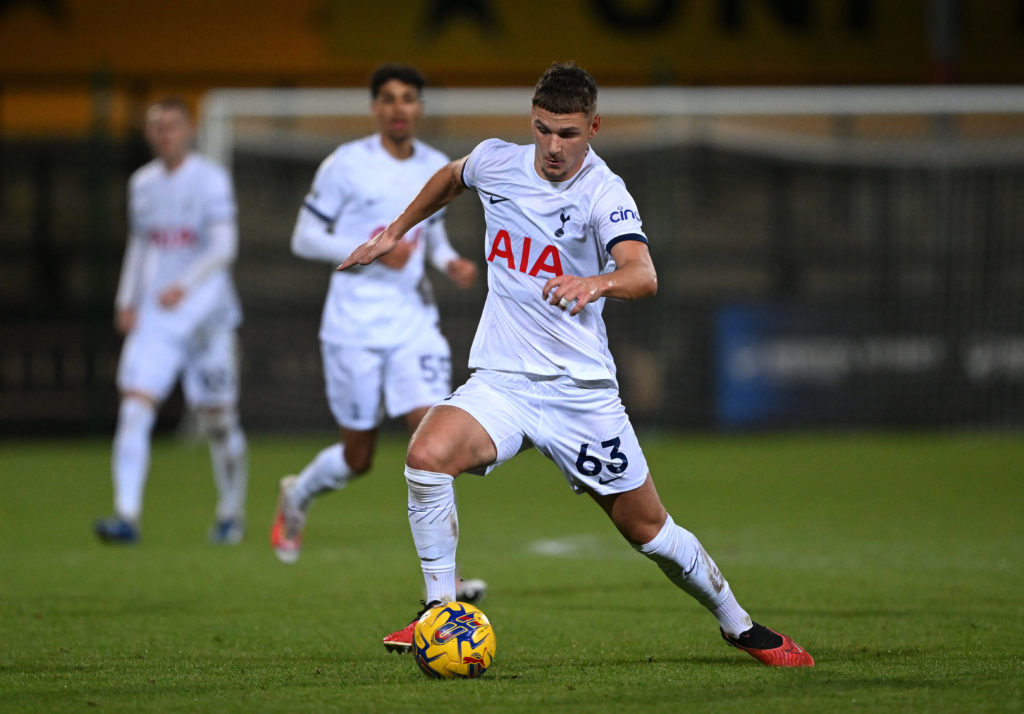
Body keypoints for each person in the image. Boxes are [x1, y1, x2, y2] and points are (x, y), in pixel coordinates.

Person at [340, 62, 814, 667]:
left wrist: (597, 282)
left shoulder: (604, 193)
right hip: (504, 381)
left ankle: (739, 625)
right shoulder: (497, 161)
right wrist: (395, 231)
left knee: (651, 533)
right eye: (543, 130)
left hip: (580, 394)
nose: (554, 146)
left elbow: (643, 276)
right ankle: (438, 614)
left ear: (594, 126)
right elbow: (451, 178)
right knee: (426, 458)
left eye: (568, 133)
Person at [269, 64, 485, 601]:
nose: (398, 107)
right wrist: (373, 247)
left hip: (414, 325)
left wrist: (450, 261)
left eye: (408, 98)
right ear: (374, 108)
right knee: (358, 458)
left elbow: (430, 237)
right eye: (388, 98)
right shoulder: (346, 165)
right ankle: (298, 495)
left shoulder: (438, 166)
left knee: (433, 441)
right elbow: (303, 237)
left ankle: (444, 586)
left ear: (419, 108)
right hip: (353, 327)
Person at [95, 97, 248, 545]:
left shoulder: (210, 180)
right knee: (135, 407)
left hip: (208, 317)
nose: (165, 134)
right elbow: (142, 246)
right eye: (157, 127)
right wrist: (127, 298)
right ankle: (126, 514)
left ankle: (230, 511)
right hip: (157, 316)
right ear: (149, 134)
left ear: (189, 131)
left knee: (219, 421)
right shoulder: (141, 184)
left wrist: (184, 283)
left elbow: (224, 248)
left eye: (173, 126)